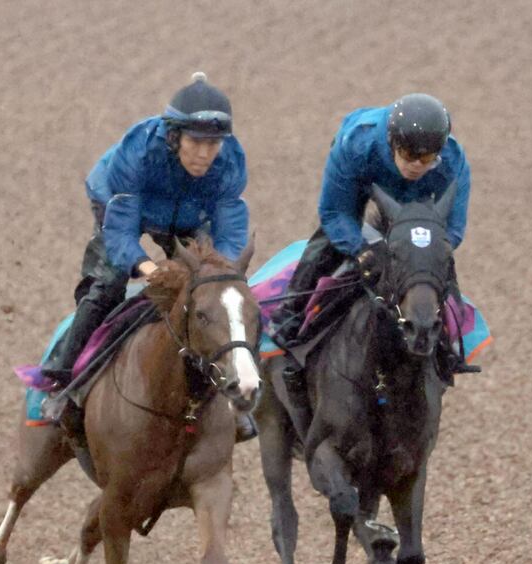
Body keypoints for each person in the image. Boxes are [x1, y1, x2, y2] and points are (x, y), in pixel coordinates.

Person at [41, 71, 257, 440]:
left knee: (222, 293)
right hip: (124, 205)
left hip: (188, 211)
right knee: (109, 285)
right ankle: (63, 381)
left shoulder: (229, 161)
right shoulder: (139, 152)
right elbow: (122, 231)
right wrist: (147, 267)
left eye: (214, 144)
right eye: (196, 142)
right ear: (174, 137)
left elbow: (231, 231)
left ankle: (234, 390)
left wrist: (218, 274)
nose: (205, 154)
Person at [269, 92, 472, 377]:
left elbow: (451, 231)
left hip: (418, 197)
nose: (417, 165)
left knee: (433, 259)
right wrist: (362, 250)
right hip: (364, 175)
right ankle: (290, 311)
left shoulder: (452, 162)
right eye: (410, 155)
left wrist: (424, 253)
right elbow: (334, 213)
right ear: (393, 143)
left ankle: (450, 342)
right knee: (329, 242)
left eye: (426, 158)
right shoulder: (357, 145)